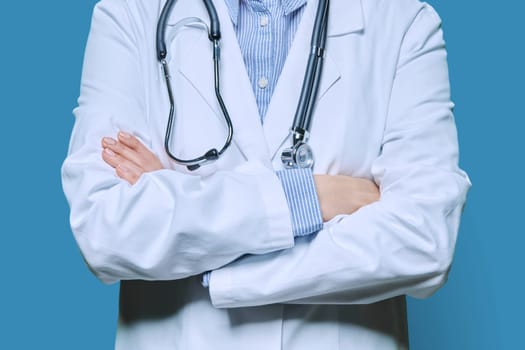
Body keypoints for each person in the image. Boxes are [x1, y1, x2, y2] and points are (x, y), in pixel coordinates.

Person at [61, 0, 471, 349]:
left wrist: (209, 259)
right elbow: (105, 227)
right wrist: (307, 197)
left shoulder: (402, 23)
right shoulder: (131, 13)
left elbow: (424, 241)